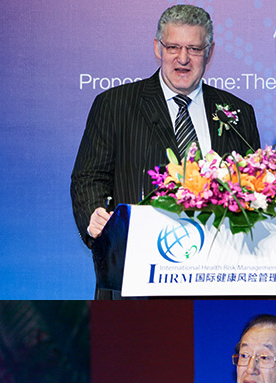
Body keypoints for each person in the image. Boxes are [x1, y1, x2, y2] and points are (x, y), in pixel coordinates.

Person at [70, 4, 260, 298]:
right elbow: (89, 178)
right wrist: (96, 215)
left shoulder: (237, 112)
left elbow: (252, 187)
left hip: (218, 281)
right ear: (158, 48)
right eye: (173, 47)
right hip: (137, 277)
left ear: (209, 53)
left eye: (194, 49)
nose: (183, 58)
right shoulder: (115, 104)